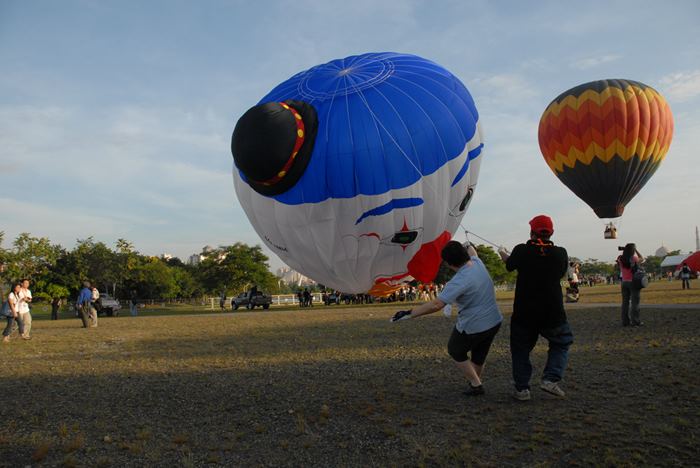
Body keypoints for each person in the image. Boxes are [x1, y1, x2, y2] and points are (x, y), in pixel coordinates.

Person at [392, 241, 503, 396]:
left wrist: (410, 313)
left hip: (475, 324)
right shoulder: (477, 263)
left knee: (455, 349)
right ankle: (475, 382)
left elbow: (436, 304)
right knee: (479, 354)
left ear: (449, 263)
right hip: (494, 320)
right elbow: (473, 252)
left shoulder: (459, 280)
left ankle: (476, 384)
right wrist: (468, 245)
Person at [499, 215, 573, 401]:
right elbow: (560, 271)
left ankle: (522, 389)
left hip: (525, 312)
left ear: (531, 231)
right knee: (561, 343)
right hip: (552, 311)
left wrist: (503, 254)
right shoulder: (560, 253)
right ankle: (550, 378)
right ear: (552, 232)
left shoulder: (521, 250)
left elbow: (509, 265)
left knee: (521, 349)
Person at [616, 243, 645, 327]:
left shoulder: (620, 258)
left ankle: (625, 321)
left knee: (625, 303)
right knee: (635, 303)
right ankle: (635, 321)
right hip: (632, 282)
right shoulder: (634, 258)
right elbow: (642, 258)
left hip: (624, 282)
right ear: (633, 250)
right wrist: (636, 250)